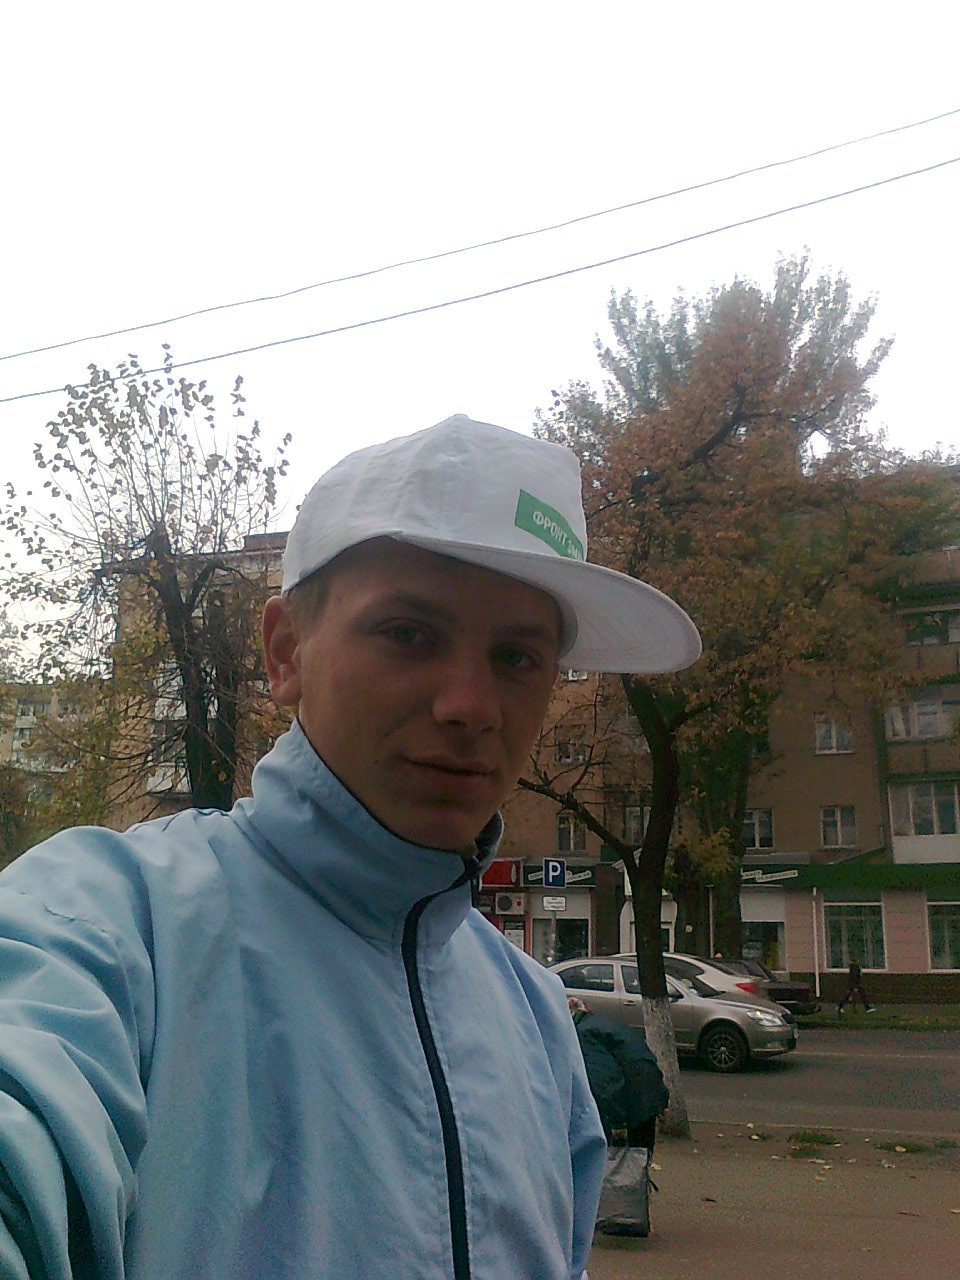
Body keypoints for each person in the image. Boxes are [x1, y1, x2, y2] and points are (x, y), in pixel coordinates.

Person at [0, 414, 701, 1279]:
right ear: (285, 652)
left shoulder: (533, 1016)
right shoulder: (111, 922)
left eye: (518, 657)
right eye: (410, 634)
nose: (470, 705)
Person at [567, 998, 669, 1238]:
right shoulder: (603, 1024)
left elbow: (606, 1080)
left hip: (632, 1102)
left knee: (620, 1159)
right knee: (636, 1162)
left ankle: (619, 1219)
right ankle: (631, 1217)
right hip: (647, 1096)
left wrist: (617, 1123)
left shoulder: (583, 1036)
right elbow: (641, 1058)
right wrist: (660, 1101)